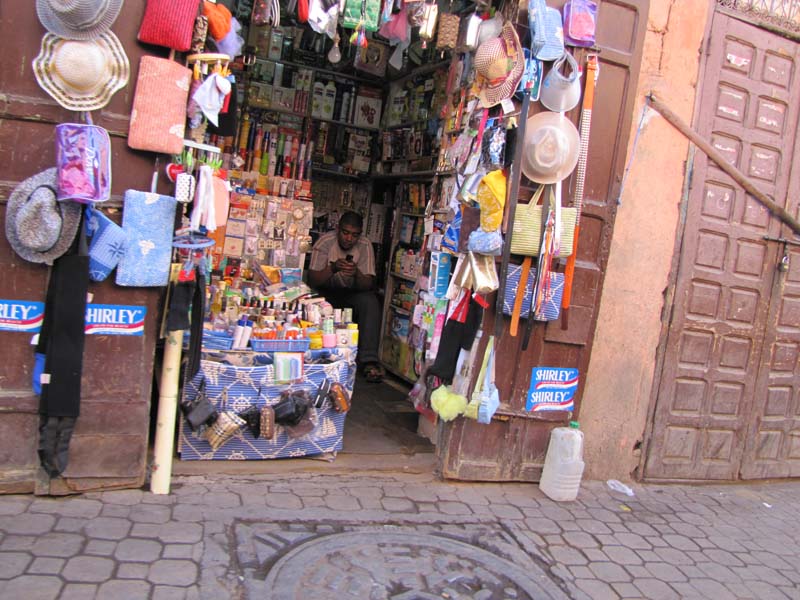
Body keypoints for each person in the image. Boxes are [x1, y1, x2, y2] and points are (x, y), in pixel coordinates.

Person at [308, 211, 385, 382]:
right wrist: (333, 268)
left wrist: (356, 273)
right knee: (312, 300)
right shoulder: (325, 242)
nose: (349, 238)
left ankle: (369, 360)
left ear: (360, 235)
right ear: (338, 229)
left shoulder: (365, 246)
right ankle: (316, 354)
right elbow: (313, 279)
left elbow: (369, 284)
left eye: (354, 235)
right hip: (326, 292)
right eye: (345, 232)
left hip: (352, 294)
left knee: (371, 301)